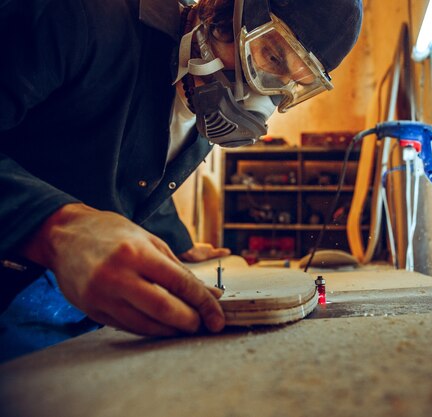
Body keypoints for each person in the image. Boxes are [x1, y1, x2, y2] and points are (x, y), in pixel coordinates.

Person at [0, 0, 362, 360]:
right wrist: (56, 228)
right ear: (223, 10)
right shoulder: (77, 17)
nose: (259, 95)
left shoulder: (200, 91)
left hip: (72, 313)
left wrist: (177, 240)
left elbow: (139, 166)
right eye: (272, 56)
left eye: (290, 83)